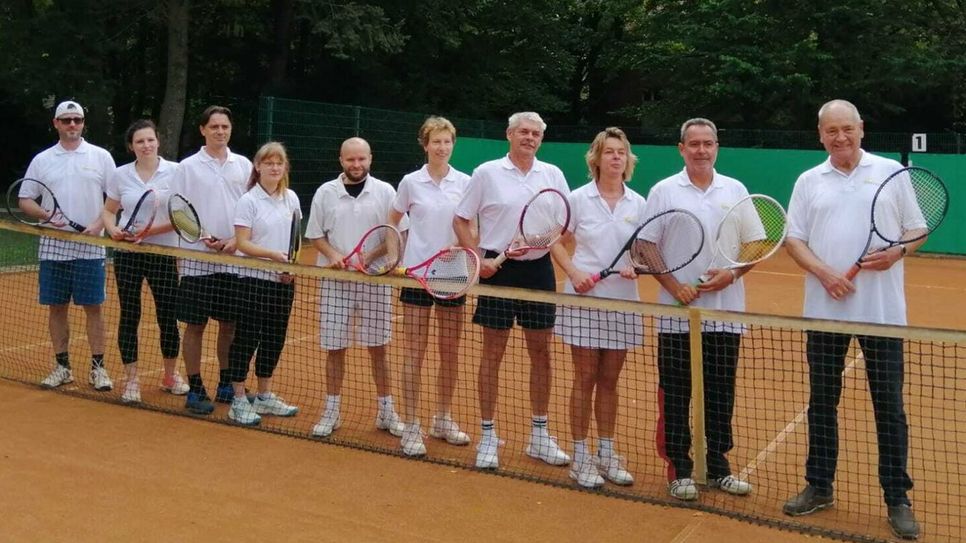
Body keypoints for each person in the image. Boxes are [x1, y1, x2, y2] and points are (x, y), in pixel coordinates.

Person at [782, 99, 920, 540]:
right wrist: (823, 272)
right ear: (820, 134)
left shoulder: (891, 173)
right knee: (822, 403)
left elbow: (916, 229)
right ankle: (819, 486)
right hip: (824, 313)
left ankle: (897, 498)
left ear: (861, 128)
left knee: (889, 409)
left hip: (882, 316)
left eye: (847, 129)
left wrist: (897, 251)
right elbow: (794, 238)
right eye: (831, 131)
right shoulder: (808, 181)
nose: (840, 137)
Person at [641, 118, 753, 501]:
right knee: (676, 394)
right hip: (677, 318)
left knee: (720, 393)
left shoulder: (735, 189)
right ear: (681, 148)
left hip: (726, 315)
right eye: (694, 144)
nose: (701, 150)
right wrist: (675, 288)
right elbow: (645, 246)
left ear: (717, 146)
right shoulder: (663, 191)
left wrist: (732, 275)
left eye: (708, 143)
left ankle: (718, 466)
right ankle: (680, 469)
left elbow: (754, 245)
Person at [453, 111, 572, 470]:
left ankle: (539, 435)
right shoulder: (486, 173)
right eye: (523, 131)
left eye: (536, 133)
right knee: (492, 352)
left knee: (542, 353)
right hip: (496, 269)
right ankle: (488, 436)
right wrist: (477, 257)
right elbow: (461, 219)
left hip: (539, 270)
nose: (530, 137)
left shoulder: (552, 174)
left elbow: (566, 224)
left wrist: (546, 240)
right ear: (509, 134)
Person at [553, 127, 644, 488]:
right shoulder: (577, 199)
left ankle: (606, 452)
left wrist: (637, 265)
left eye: (621, 152)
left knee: (610, 380)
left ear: (628, 159)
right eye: (609, 152)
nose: (616, 157)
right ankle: (581, 456)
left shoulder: (639, 203)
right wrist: (575, 273)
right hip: (584, 300)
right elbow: (555, 243)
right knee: (585, 377)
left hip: (622, 300)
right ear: (596, 158)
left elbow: (645, 250)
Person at [307, 137, 405, 439]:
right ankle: (332, 411)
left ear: (370, 159)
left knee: (379, 348)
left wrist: (371, 257)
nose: (356, 165)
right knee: (335, 348)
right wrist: (334, 255)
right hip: (336, 283)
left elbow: (395, 235)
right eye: (351, 159)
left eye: (361, 159)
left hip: (374, 281)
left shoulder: (387, 192)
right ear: (341, 160)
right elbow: (315, 235)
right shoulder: (325, 193)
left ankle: (387, 412)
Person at [387, 116, 472, 457]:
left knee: (449, 351)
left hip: (452, 274)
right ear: (425, 145)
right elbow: (392, 222)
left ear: (453, 144)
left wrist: (462, 247)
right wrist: (396, 258)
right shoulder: (411, 182)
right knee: (414, 351)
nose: (442, 147)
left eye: (447, 141)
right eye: (435, 142)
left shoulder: (465, 182)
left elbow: (471, 226)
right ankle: (411, 425)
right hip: (416, 275)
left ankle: (442, 417)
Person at [22, 100, 115, 392]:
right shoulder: (42, 159)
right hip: (53, 247)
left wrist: (98, 225)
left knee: (94, 308)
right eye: (66, 120)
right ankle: (62, 367)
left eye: (77, 119)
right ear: (56, 124)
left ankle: (98, 368)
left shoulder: (101, 157)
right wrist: (47, 215)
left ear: (84, 123)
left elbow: (115, 199)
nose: (72, 125)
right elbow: (25, 200)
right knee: (57, 308)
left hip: (90, 248)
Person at [169, 105, 252, 415]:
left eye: (225, 126)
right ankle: (195, 386)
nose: (220, 131)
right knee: (195, 326)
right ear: (203, 130)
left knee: (229, 325)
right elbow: (178, 212)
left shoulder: (243, 166)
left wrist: (235, 241)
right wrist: (203, 237)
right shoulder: (187, 168)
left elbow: (251, 209)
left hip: (234, 258)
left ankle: (226, 383)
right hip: (196, 260)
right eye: (214, 126)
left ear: (230, 130)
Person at [101, 119, 187, 403]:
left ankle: (171, 375)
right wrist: (113, 230)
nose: (146, 145)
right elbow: (109, 211)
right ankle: (131, 381)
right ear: (131, 146)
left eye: (150, 140)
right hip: (128, 255)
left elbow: (181, 216)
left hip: (162, 254)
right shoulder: (120, 175)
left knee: (168, 316)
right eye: (140, 141)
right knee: (130, 315)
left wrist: (150, 231)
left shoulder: (176, 172)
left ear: (158, 141)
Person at [224, 142, 301, 426]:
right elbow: (243, 242)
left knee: (274, 337)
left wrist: (289, 266)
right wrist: (272, 257)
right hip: (253, 280)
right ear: (258, 167)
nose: (274, 167)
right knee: (247, 338)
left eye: (279, 162)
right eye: (268, 163)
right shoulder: (248, 201)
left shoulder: (291, 198)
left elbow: (295, 239)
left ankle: (265, 396)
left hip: (283, 282)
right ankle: (238, 399)